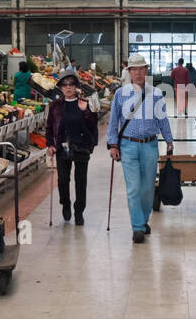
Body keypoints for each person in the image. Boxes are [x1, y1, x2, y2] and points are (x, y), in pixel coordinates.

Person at [107, 53, 174, 244]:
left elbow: (162, 119)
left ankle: (143, 221)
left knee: (147, 189)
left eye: (141, 68)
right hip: (127, 145)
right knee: (133, 188)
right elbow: (113, 122)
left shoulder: (156, 93)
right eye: (134, 69)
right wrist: (113, 144)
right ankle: (137, 227)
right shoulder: (120, 94)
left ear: (146, 70)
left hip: (150, 145)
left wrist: (169, 140)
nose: (138, 72)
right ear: (128, 72)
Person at [45, 70, 98, 226]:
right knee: (62, 180)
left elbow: (93, 126)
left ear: (76, 86)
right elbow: (49, 127)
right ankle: (65, 204)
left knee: (80, 181)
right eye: (65, 84)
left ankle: (79, 211)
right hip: (62, 147)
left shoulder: (83, 103)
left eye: (71, 84)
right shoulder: (55, 106)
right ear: (61, 87)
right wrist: (50, 144)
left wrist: (85, 112)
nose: (68, 87)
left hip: (81, 146)